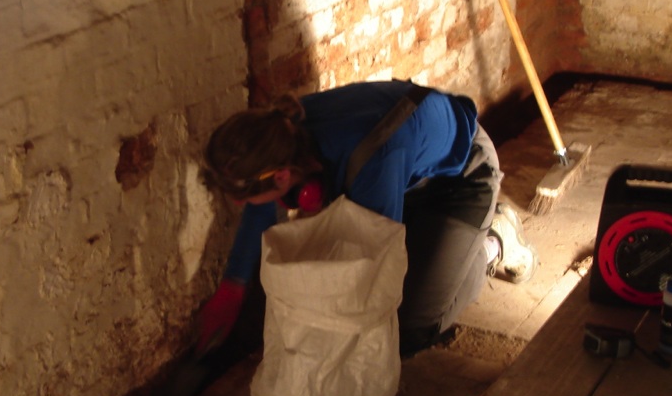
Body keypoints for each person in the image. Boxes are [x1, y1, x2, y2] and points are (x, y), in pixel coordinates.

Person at [197, 79, 538, 358]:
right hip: (408, 181)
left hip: (462, 179)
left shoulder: (370, 158)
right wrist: (233, 286)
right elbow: (262, 198)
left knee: (405, 329)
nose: (244, 206)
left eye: (244, 198)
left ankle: (493, 241)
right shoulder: (280, 133)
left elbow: (377, 265)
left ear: (283, 176)